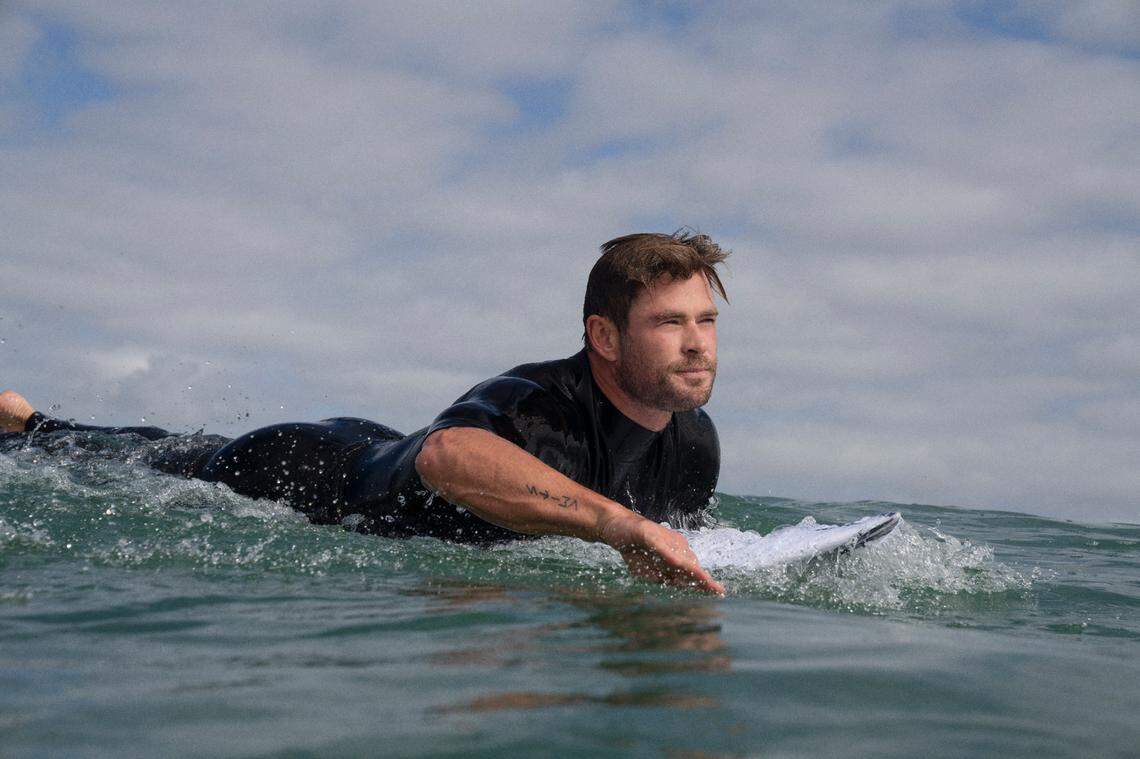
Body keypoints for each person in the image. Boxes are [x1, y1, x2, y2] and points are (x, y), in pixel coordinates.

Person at [1, 231, 728, 594]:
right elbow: (446, 456)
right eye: (670, 323)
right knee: (153, 462)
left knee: (173, 447)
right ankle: (34, 428)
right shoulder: (540, 408)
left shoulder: (694, 445)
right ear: (603, 335)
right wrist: (617, 524)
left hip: (373, 442)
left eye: (706, 320)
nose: (698, 345)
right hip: (302, 474)